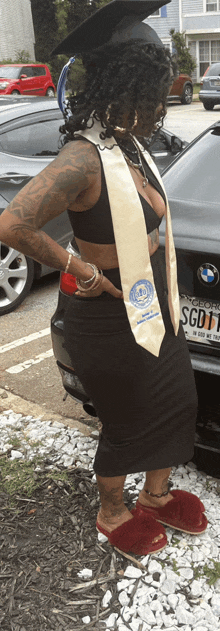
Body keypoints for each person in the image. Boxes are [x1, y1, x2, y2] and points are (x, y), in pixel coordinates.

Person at [0, 0, 207, 556]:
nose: (160, 104)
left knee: (175, 401)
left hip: (154, 302)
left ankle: (157, 498)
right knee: (127, 415)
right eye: (152, 92)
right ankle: (112, 509)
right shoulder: (83, 157)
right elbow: (13, 222)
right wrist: (78, 267)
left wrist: (158, 249)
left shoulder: (133, 149)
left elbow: (150, 222)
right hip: (107, 313)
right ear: (126, 87)